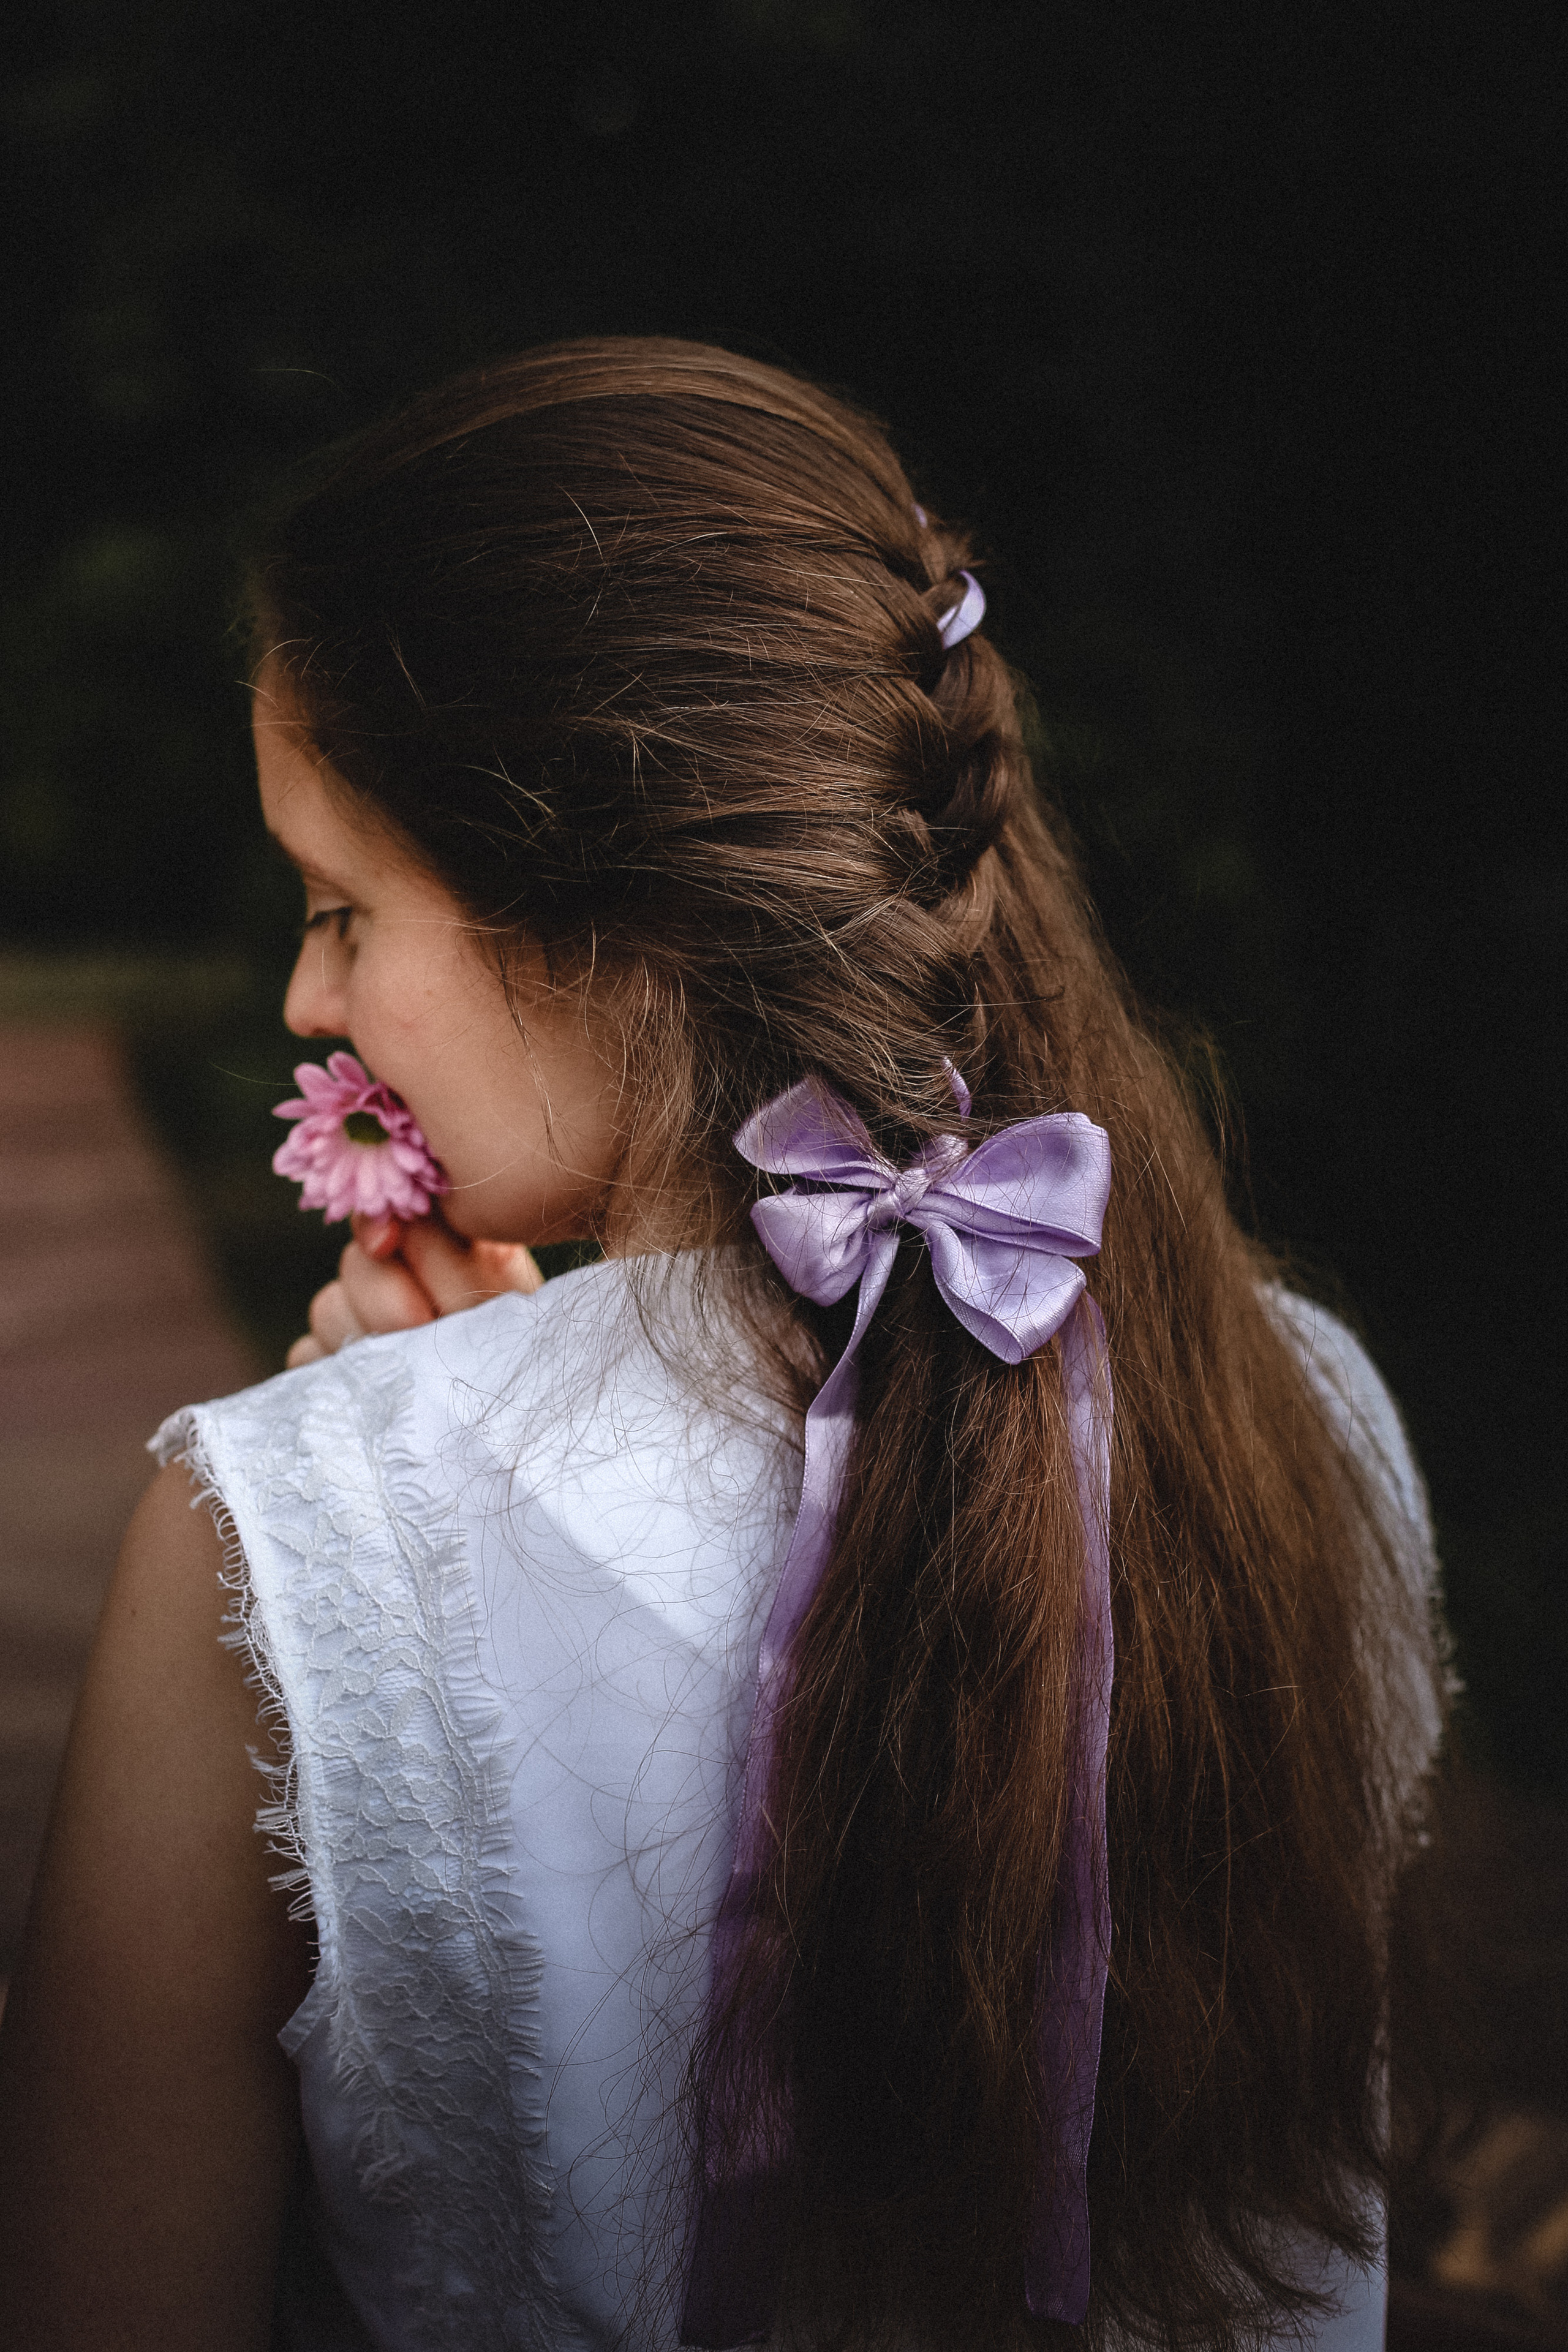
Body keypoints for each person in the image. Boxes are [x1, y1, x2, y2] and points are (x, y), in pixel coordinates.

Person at [0, 339, 1444, 2351]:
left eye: (341, 907)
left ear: (598, 914)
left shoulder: (273, 1542)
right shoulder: (1308, 1420)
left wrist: (403, 1475)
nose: (311, 1001)